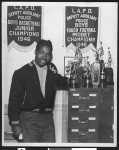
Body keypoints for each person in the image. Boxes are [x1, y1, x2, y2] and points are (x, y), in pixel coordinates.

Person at [8, 39, 70, 143]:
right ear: (35, 52)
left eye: (47, 54)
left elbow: (60, 80)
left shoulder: (52, 69)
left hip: (48, 120)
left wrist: (73, 80)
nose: (44, 57)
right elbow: (13, 100)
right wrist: (15, 124)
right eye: (41, 52)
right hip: (29, 119)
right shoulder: (22, 73)